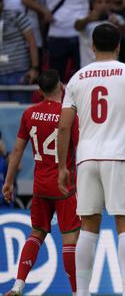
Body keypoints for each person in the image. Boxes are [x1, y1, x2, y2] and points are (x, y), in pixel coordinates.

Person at [56, 23, 125, 296]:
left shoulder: (77, 78)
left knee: (88, 227)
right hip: (120, 157)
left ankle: (83, 293)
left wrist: (63, 166)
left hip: (86, 158)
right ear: (119, 46)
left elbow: (64, 126)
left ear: (92, 46)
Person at [2, 69, 79, 295]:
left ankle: (17, 286)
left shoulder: (29, 113)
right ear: (61, 86)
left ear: (39, 90)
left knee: (36, 235)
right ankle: (77, 292)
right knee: (69, 239)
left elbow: (16, 151)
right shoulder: (69, 115)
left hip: (40, 186)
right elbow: (81, 150)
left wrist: (8, 182)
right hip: (64, 186)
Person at [22, 0, 95, 83]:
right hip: (57, 35)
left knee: (83, 76)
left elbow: (95, 1)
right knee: (56, 78)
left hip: (81, 35)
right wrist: (44, 11)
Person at [0, 0, 39, 102]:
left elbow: (32, 41)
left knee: (21, 113)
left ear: (2, 2)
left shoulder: (16, 16)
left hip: (19, 73)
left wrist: (34, 68)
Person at [75, 0, 125, 67]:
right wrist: (87, 19)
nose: (103, 5)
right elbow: (77, 26)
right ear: (93, 4)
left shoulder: (117, 19)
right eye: (99, 2)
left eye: (107, 2)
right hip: (89, 69)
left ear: (111, 3)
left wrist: (117, 25)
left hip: (111, 70)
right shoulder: (85, 19)